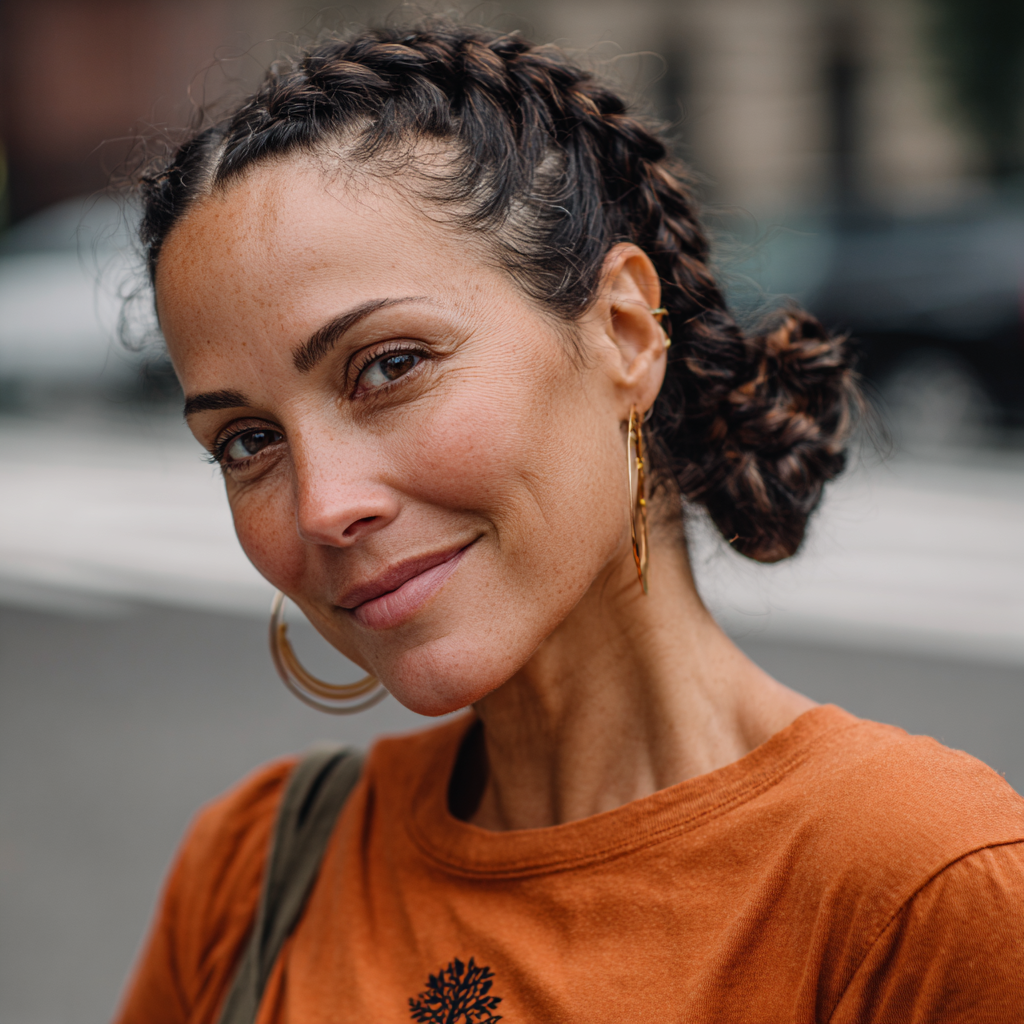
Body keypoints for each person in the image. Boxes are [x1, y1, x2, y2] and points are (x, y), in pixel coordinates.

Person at [114, 20, 1024, 1024]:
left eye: (389, 366)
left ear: (623, 333)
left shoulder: (927, 892)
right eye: (247, 441)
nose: (323, 506)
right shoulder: (252, 871)